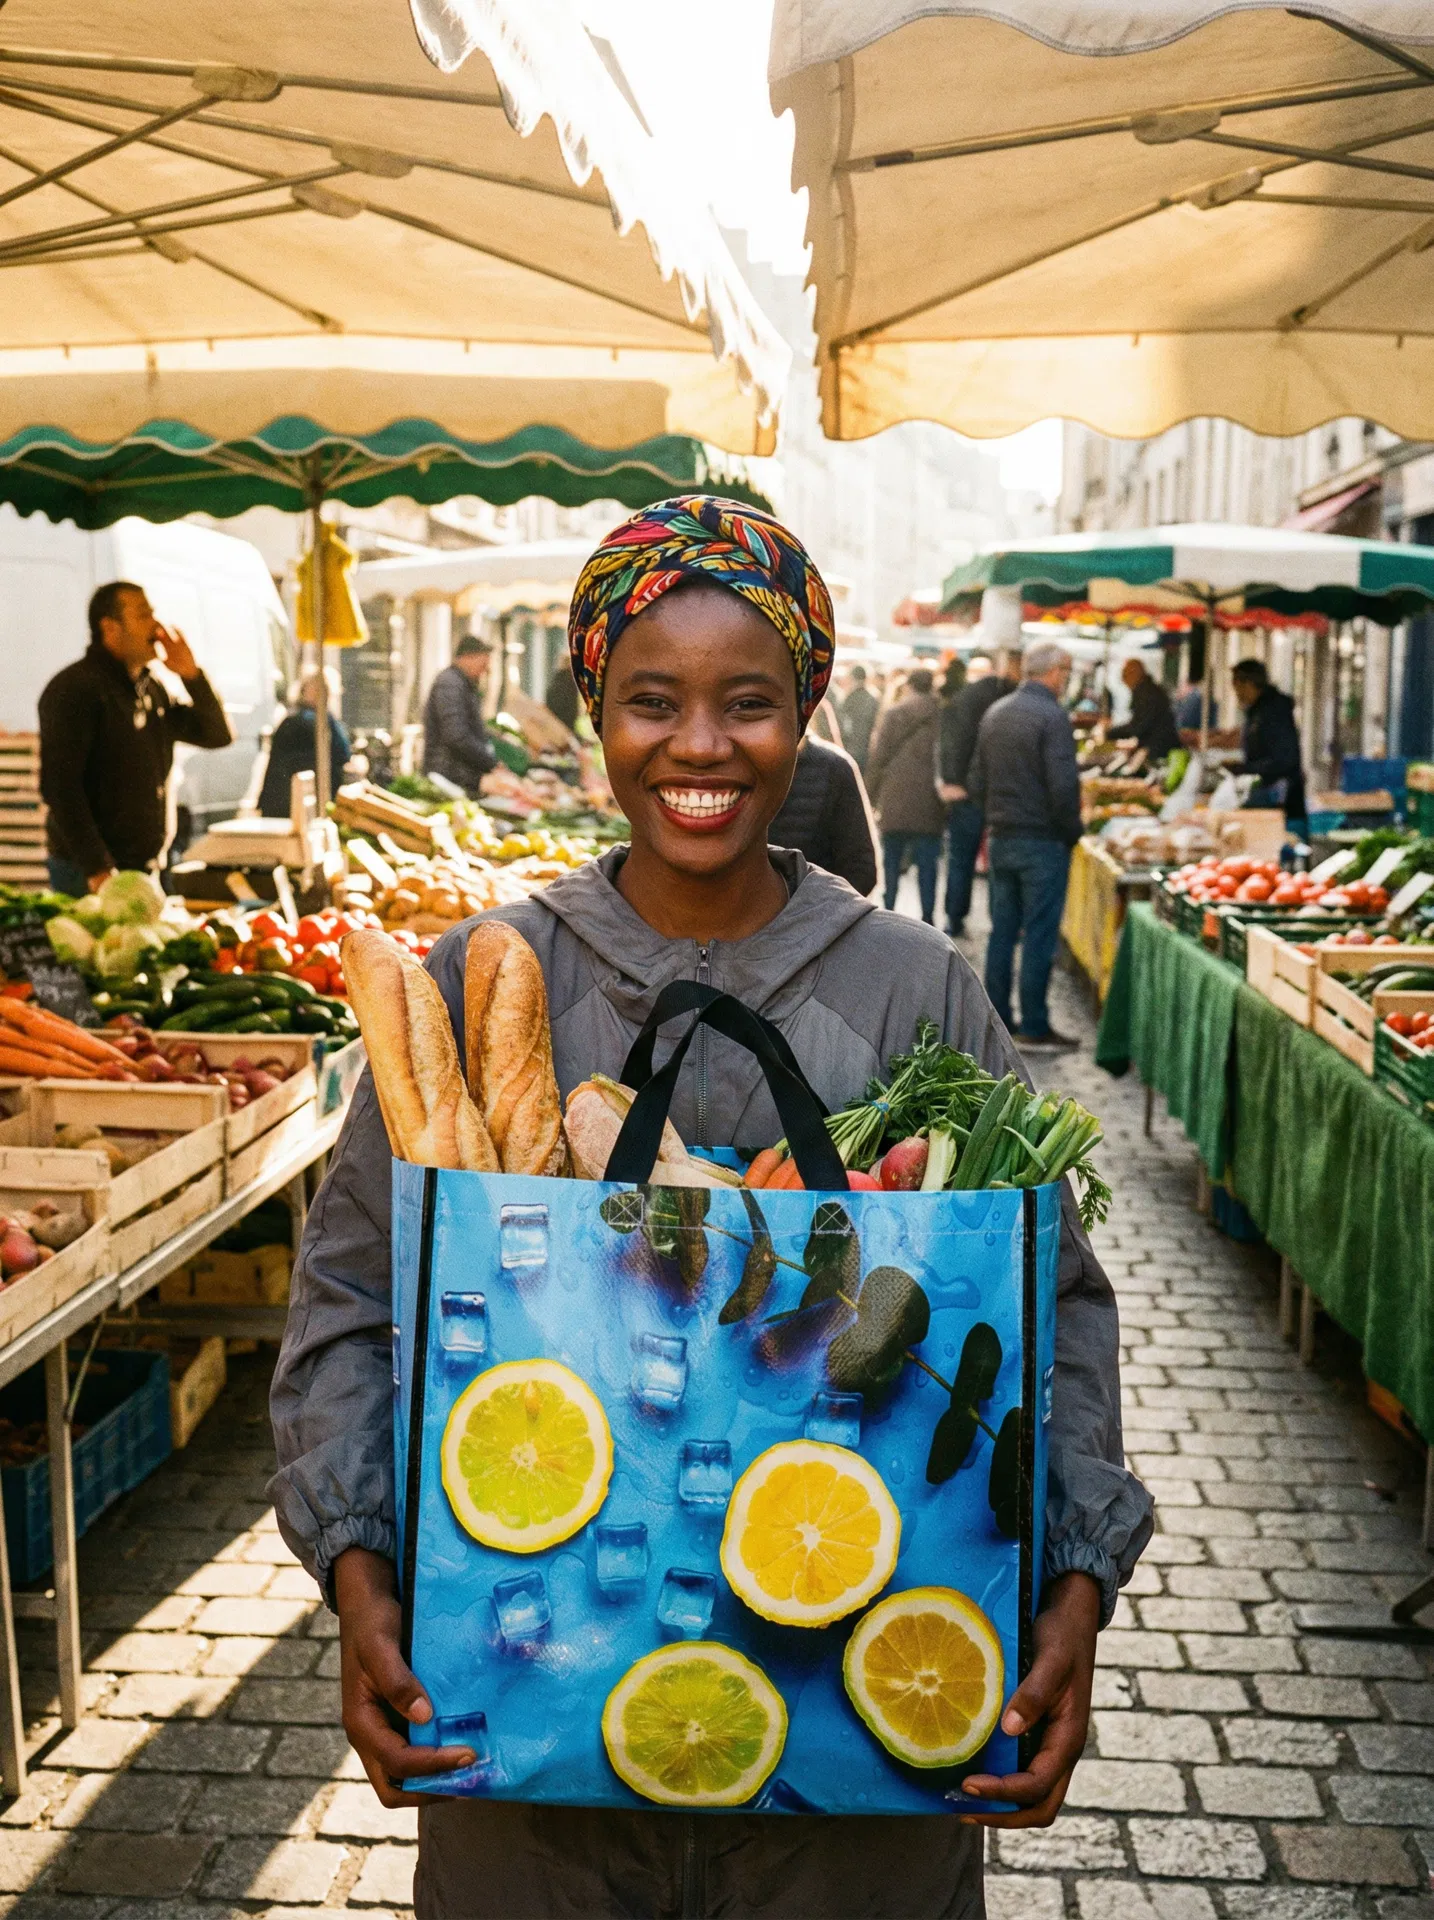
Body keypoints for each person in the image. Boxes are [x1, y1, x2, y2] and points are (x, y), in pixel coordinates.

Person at [270, 495, 1149, 1920]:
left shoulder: (913, 989)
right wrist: (361, 1578)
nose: (696, 745)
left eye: (748, 700)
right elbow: (352, 1305)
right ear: (591, 713)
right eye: (648, 701)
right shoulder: (484, 971)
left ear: (808, 708)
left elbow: (1056, 1315)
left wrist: (1074, 1590)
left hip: (850, 1777)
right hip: (534, 1769)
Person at [38, 580, 232, 896]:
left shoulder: (150, 689)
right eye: (143, 615)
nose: (155, 625)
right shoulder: (75, 690)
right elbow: (61, 788)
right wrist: (97, 868)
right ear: (110, 628)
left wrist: (192, 676)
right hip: (90, 874)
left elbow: (216, 735)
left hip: (144, 868)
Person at [968, 641, 1083, 1051]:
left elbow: (976, 781)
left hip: (1003, 837)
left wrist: (996, 818)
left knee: (1003, 930)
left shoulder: (996, 713)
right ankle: (1033, 1024)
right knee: (1038, 934)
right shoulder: (1052, 718)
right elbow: (1063, 787)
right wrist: (1072, 832)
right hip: (1042, 842)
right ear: (1053, 673)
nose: (1066, 680)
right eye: (1066, 673)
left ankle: (998, 1018)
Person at [937, 648, 1020, 940]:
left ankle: (955, 918)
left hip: (967, 792)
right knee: (1000, 859)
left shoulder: (965, 698)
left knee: (961, 858)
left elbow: (952, 743)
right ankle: (1003, 920)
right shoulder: (1012, 700)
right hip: (1002, 792)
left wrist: (951, 780)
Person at [865, 667, 946, 922]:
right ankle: (929, 916)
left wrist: (870, 797)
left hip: (895, 799)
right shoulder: (941, 715)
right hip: (929, 802)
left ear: (909, 685)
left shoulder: (894, 713)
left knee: (891, 861)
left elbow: (878, 759)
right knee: (928, 866)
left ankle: (888, 910)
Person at [767, 730, 878, 895]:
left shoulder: (835, 768)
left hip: (818, 911)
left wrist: (818, 915)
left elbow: (861, 869)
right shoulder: (738, 766)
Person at [257, 670, 351, 819]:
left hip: (296, 801)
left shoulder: (321, 719)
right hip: (293, 803)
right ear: (304, 690)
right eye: (316, 688)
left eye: (324, 689)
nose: (320, 693)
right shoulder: (304, 720)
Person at [1231, 657, 1307, 822]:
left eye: (1236, 686)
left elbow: (1285, 759)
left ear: (1248, 684)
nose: (1236, 693)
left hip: (1280, 799)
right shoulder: (1258, 711)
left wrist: (1246, 769)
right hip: (1270, 793)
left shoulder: (1273, 712)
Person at [422, 634, 496, 794]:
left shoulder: (461, 683)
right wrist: (489, 762)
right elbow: (456, 735)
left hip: (458, 774)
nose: (485, 670)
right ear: (468, 657)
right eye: (483, 663)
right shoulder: (450, 684)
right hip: (448, 775)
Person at [1117, 657, 1181, 760]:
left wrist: (1110, 733)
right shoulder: (1149, 690)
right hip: (1158, 746)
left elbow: (1139, 726)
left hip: (1159, 749)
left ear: (1134, 674)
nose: (1123, 678)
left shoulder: (1146, 693)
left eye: (1125, 674)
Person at [836, 662, 879, 770]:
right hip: (866, 747)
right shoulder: (873, 697)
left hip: (850, 746)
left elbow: (842, 722)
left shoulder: (849, 697)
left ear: (852, 677)